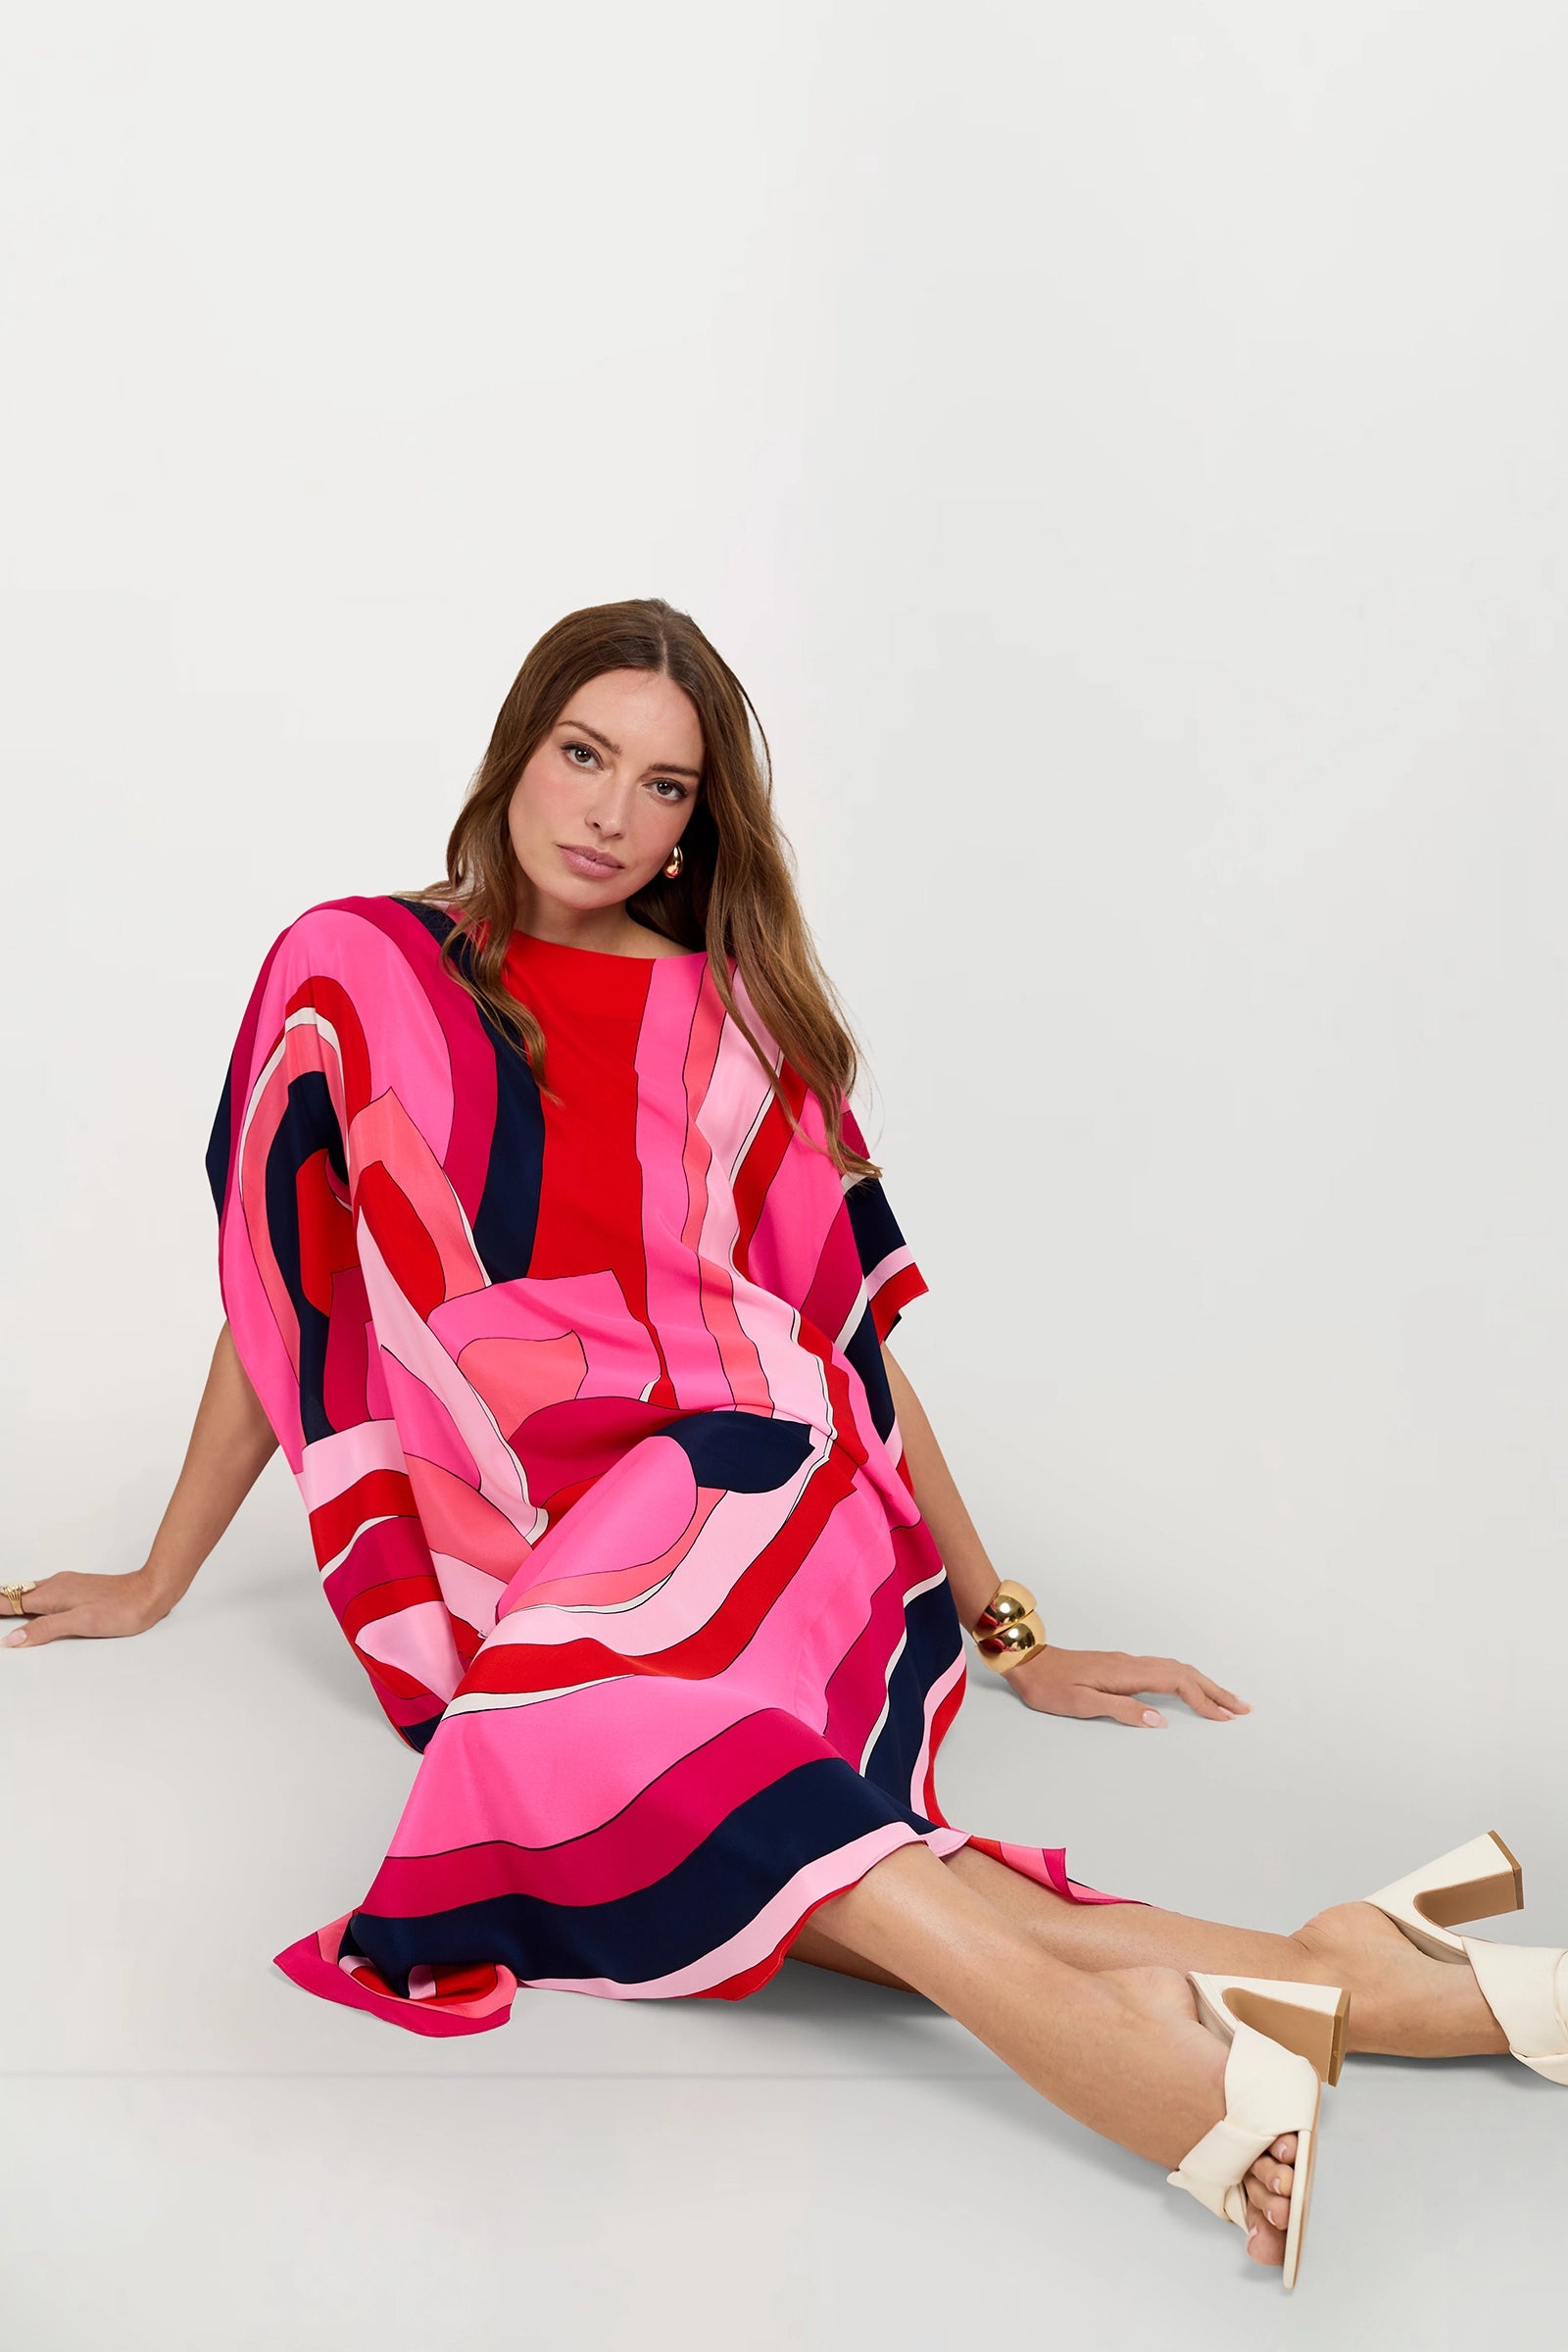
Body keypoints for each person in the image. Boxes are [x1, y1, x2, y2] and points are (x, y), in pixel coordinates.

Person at [7, 598, 1562, 2289]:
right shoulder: (353, 971)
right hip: (523, 1542)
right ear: (517, 751)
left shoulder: (733, 1026)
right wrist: (156, 1579)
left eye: (665, 786)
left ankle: (1127, 2065)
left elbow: (854, 1340)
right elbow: (292, 1295)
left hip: (752, 1469)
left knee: (580, 1728)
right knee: (626, 1755)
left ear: (700, 825)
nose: (611, 813)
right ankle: (1320, 1973)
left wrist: (1009, 1628)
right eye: (585, 755)